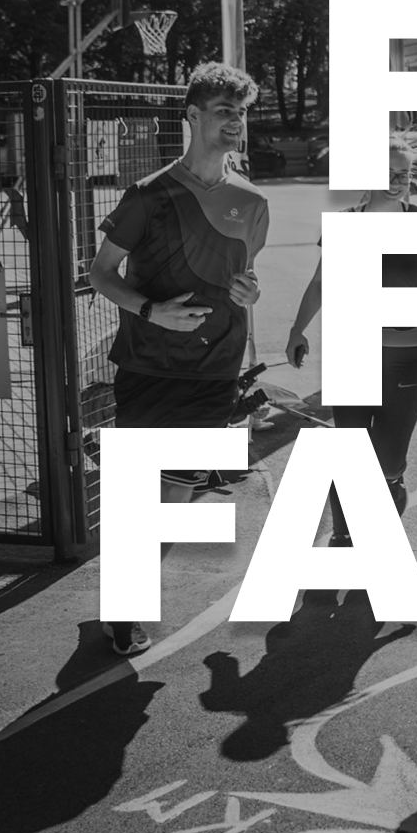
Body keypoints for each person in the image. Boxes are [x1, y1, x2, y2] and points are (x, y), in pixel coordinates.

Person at [88, 62, 267, 657]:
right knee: (143, 496)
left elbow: (244, 278)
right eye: (224, 111)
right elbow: (100, 273)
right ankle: (125, 606)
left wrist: (251, 293)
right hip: (147, 366)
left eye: (241, 112)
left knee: (177, 496)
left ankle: (124, 599)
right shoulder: (149, 194)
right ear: (192, 116)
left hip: (215, 373)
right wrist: (150, 311)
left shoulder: (252, 201)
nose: (235, 121)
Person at [286, 122, 417, 541]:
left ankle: (392, 480)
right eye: (387, 173)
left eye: (403, 174)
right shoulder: (345, 224)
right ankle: (343, 534)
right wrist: (298, 329)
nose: (396, 182)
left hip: (407, 355)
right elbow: (322, 282)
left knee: (385, 460)